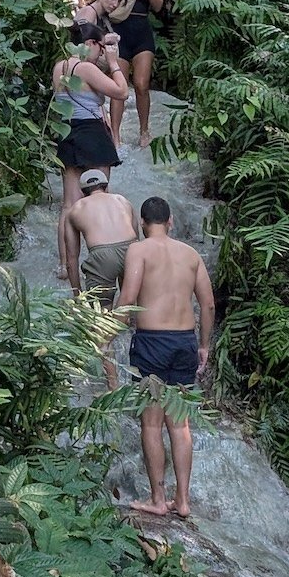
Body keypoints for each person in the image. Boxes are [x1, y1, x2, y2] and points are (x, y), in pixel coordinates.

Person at [118, 196, 215, 518]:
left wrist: (103, 333)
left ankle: (158, 499)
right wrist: (204, 345)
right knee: (180, 423)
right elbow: (208, 304)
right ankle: (183, 501)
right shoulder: (191, 255)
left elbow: (128, 298)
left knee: (151, 422)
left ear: (143, 224)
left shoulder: (139, 250)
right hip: (185, 342)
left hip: (152, 343)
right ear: (171, 221)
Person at [51, 22, 127, 280]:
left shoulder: (60, 66)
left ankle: (65, 266)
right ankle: (102, 262)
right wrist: (115, 63)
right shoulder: (84, 68)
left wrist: (106, 55)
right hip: (92, 135)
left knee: (69, 205)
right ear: (91, 44)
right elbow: (121, 92)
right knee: (98, 200)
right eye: (100, 46)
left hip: (67, 133)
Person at [65, 169, 139, 389]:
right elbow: (138, 241)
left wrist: (78, 295)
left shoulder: (75, 209)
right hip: (131, 249)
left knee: (101, 320)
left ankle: (113, 385)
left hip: (101, 255)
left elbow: (71, 259)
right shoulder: (122, 200)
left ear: (82, 191)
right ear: (107, 187)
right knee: (130, 307)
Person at [106, 0, 165, 150]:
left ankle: (144, 130)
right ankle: (115, 135)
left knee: (141, 84)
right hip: (119, 32)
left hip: (142, 33)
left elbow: (158, 7)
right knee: (118, 87)